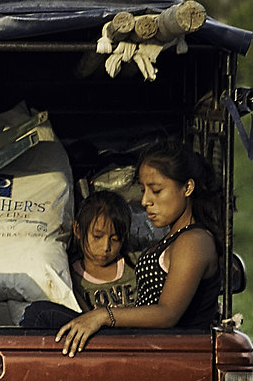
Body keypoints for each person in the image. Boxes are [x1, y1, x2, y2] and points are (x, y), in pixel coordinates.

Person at [54, 145, 222, 356]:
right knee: (44, 314)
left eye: (157, 191)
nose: (145, 201)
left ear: (187, 188)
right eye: (143, 191)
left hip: (173, 353)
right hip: (143, 344)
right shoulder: (174, 238)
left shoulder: (194, 241)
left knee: (44, 317)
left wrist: (104, 315)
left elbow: (167, 314)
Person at [72, 189, 140, 310]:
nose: (105, 247)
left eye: (115, 239)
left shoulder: (135, 266)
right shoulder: (71, 278)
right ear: (78, 230)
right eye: (97, 237)